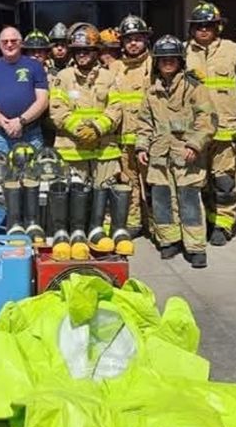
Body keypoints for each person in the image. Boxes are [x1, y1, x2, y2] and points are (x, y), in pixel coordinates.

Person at [49, 23, 133, 259]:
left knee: (104, 192)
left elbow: (116, 108)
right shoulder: (63, 77)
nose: (82, 55)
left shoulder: (108, 77)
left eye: (86, 50)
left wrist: (97, 128)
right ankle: (70, 234)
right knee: (71, 194)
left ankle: (98, 233)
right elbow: (57, 109)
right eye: (77, 51)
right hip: (72, 150)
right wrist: (78, 129)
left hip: (104, 149)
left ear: (96, 52)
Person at [135, 35, 215, 269]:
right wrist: (142, 146)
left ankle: (195, 247)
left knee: (189, 200)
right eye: (163, 59)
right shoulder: (152, 92)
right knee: (161, 200)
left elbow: (207, 120)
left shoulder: (195, 88)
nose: (168, 62)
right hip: (159, 155)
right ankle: (169, 240)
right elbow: (144, 122)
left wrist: (194, 144)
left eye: (172, 58)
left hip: (186, 155)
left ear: (181, 61)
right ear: (157, 63)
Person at [0, 26, 49, 234]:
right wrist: (5, 123)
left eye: (13, 41)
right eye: (5, 41)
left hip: (30, 134)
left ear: (21, 43)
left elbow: (42, 100)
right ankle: (1, 229)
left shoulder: (34, 66)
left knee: (31, 182)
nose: (9, 44)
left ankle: (31, 226)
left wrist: (21, 121)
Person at [185, 1, 236, 247]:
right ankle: (206, 221)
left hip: (225, 130)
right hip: (194, 132)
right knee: (199, 182)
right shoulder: (182, 53)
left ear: (218, 27)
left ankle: (223, 224)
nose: (203, 30)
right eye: (199, 26)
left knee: (224, 182)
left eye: (208, 25)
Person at [108, 14, 155, 240]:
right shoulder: (114, 68)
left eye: (138, 38)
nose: (133, 43)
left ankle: (156, 226)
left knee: (153, 185)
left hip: (151, 140)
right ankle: (134, 222)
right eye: (128, 39)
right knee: (128, 183)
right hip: (123, 139)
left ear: (146, 39)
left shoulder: (156, 64)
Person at [22, 29, 57, 147]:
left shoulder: (56, 75)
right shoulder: (19, 74)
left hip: (51, 127)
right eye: (32, 51)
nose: (36, 55)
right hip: (27, 126)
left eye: (40, 51)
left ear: (47, 53)